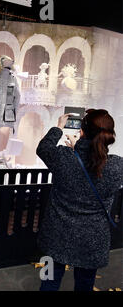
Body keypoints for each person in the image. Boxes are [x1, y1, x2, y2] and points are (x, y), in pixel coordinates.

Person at [36, 109, 123, 291]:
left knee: (49, 280)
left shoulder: (62, 157)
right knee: (85, 285)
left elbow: (43, 148)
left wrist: (58, 127)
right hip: (92, 241)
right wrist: (80, 151)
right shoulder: (117, 166)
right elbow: (94, 163)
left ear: (81, 131)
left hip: (56, 236)